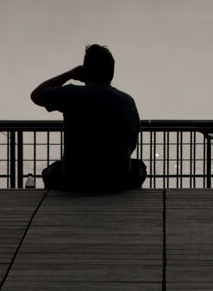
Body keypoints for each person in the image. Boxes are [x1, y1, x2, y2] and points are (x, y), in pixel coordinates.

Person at [30, 44, 147, 193]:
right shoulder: (127, 101)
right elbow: (132, 144)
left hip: (76, 178)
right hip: (116, 178)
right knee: (139, 167)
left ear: (86, 71)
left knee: (50, 171)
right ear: (111, 71)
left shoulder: (71, 94)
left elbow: (37, 95)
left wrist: (70, 74)